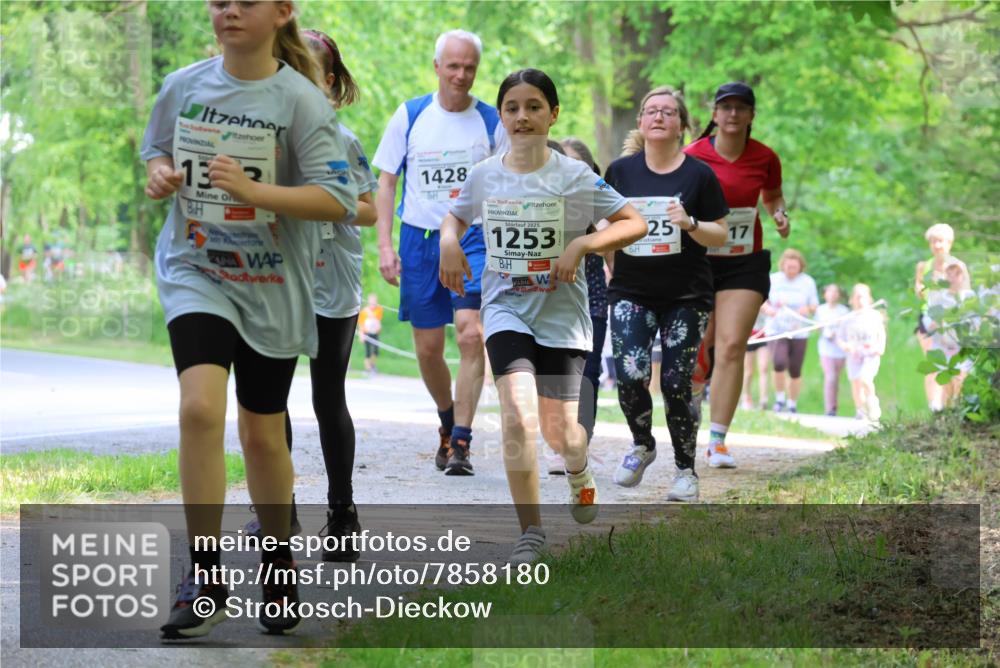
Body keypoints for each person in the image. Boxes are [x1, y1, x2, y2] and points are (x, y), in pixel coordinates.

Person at [141, 0, 357, 639]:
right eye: (219, 2)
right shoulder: (183, 86)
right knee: (200, 410)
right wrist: (159, 175)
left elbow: (339, 199)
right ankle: (204, 573)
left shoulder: (301, 101)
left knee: (263, 434)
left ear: (282, 12)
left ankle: (278, 553)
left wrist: (256, 193)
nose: (229, 11)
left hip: (271, 282)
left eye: (246, 2)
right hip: (196, 269)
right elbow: (157, 151)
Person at [439, 68, 645, 563]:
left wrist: (584, 242)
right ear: (502, 116)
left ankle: (578, 467)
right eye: (512, 107)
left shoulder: (574, 177)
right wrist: (449, 240)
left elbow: (634, 222)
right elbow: (456, 215)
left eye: (534, 106)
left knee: (562, 434)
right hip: (507, 307)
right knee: (516, 413)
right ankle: (530, 532)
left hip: (562, 317)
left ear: (553, 114)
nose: (522, 116)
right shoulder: (486, 173)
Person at [372, 30, 509, 476]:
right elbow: (387, 181)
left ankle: (463, 442)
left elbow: (508, 187)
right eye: (453, 66)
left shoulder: (492, 122)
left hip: (473, 238)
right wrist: (385, 245)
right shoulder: (410, 115)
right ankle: (447, 421)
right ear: (437, 67)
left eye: (469, 67)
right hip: (419, 239)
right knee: (429, 348)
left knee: (471, 334)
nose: (461, 75)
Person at [604, 85, 730, 501]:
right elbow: (603, 226)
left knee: (676, 381)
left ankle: (684, 469)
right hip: (631, 291)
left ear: (681, 125)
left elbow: (721, 233)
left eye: (669, 112)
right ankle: (642, 444)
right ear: (640, 122)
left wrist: (691, 222)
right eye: (651, 110)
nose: (659, 117)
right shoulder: (621, 172)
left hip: (685, 295)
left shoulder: (698, 175)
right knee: (630, 374)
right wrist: (608, 260)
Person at [685, 82, 789, 468]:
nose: (732, 114)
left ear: (751, 116)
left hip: (744, 261)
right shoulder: (692, 156)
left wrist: (780, 214)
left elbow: (773, 196)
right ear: (714, 114)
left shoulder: (765, 157)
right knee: (699, 348)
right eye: (725, 107)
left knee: (731, 345)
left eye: (740, 108)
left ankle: (718, 441)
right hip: (699, 259)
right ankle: (689, 415)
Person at [560, 137, 609, 456]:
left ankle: (578, 444)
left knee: (588, 373)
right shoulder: (541, 200)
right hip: (554, 304)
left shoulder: (599, 202)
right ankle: (560, 438)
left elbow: (610, 242)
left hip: (593, 301)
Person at [914, 223, 968, 411]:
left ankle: (950, 406)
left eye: (941, 241)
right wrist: (921, 290)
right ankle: (935, 406)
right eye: (933, 241)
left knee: (953, 366)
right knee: (933, 362)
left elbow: (963, 295)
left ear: (949, 243)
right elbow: (918, 288)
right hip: (928, 318)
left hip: (951, 320)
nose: (937, 245)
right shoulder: (924, 266)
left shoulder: (957, 266)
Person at [762, 249, 818, 413]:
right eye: (788, 267)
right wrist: (769, 310)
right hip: (776, 329)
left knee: (795, 368)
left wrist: (806, 309)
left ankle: (792, 403)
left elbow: (814, 305)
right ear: (782, 266)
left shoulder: (807, 282)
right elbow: (762, 301)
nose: (791, 270)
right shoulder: (773, 279)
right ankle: (779, 399)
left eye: (794, 267)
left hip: (799, 330)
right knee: (779, 362)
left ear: (800, 267)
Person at [926, 259, 975, 408]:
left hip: (963, 346)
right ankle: (946, 415)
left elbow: (976, 320)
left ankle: (959, 412)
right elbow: (930, 324)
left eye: (957, 273)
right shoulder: (939, 297)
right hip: (944, 345)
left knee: (960, 378)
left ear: (963, 276)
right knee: (947, 382)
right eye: (949, 274)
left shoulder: (969, 296)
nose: (953, 278)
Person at [837, 284, 886, 422]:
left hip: (870, 355)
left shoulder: (875, 316)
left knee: (865, 379)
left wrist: (880, 347)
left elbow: (881, 334)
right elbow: (840, 338)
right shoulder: (847, 318)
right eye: (857, 297)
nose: (860, 300)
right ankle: (860, 409)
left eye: (863, 297)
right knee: (856, 383)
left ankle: (872, 403)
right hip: (854, 355)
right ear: (851, 300)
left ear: (869, 299)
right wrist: (846, 347)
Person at [815, 283, 850, 416]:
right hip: (826, 349)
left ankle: (834, 406)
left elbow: (847, 329)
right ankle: (829, 408)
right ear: (825, 295)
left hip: (840, 349)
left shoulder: (844, 311)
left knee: (836, 378)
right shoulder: (820, 310)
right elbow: (817, 327)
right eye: (829, 292)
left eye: (835, 292)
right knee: (830, 376)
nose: (832, 294)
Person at [740, 310, 770, 410]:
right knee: (749, 371)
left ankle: (763, 400)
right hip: (749, 336)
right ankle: (746, 397)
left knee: (764, 368)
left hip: (762, 335)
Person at [358, 293, 384, 375]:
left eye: (374, 301)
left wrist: (378, 327)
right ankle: (367, 368)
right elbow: (361, 324)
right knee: (368, 351)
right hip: (366, 333)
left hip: (375, 332)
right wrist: (361, 334)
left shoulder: (379, 309)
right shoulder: (364, 312)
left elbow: (378, 320)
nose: (373, 303)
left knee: (376, 350)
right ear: (368, 302)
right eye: (371, 301)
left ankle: (372, 365)